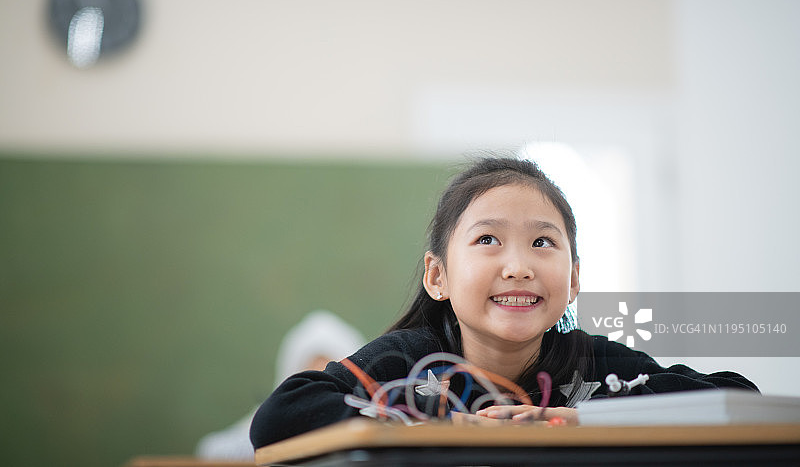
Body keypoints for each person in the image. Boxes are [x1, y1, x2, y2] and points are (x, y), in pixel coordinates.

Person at [250, 157, 757, 449]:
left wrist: (584, 419)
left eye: (542, 243)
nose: (518, 267)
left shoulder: (597, 364)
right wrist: (449, 424)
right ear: (438, 275)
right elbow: (280, 416)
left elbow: (741, 399)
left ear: (574, 278)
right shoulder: (403, 362)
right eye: (488, 240)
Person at [196, 310, 365, 460]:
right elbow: (211, 452)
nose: (319, 392)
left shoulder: (368, 425)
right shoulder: (271, 419)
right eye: (310, 380)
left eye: (330, 377)